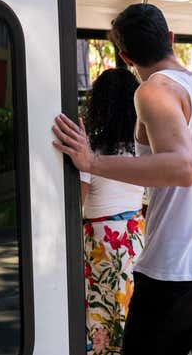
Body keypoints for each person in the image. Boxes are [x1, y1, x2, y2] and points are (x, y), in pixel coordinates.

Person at [53, 3, 192, 355]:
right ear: (171, 38)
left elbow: (181, 167)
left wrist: (91, 160)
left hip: (174, 278)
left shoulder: (153, 91)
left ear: (124, 57)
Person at [80, 68, 145, 355]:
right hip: (134, 242)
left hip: (102, 246)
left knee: (100, 321)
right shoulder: (141, 152)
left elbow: (76, 205)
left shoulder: (90, 153)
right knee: (131, 317)